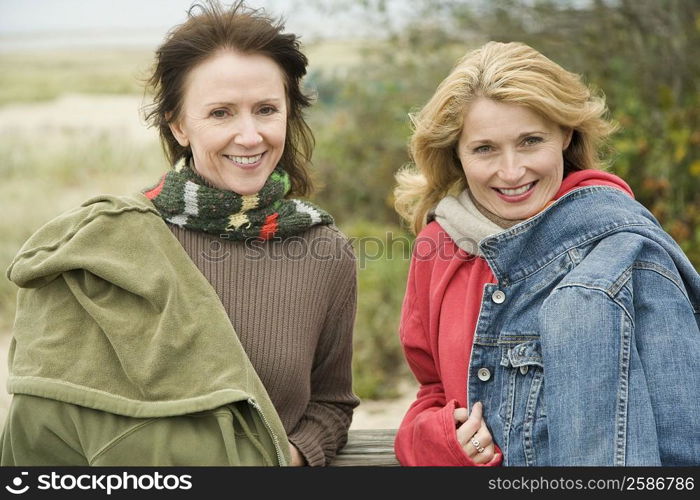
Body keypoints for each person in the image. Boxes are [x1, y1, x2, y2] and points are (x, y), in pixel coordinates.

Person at [1, 0, 358, 466]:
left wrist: (288, 457)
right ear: (178, 125)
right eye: (221, 113)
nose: (250, 136)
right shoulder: (112, 246)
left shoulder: (324, 253)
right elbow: (52, 411)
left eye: (266, 109)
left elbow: (331, 405)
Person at [393, 41, 700, 466]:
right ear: (456, 154)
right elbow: (432, 393)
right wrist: (442, 441)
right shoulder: (437, 246)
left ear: (565, 134)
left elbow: (683, 441)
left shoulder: (627, 248)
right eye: (484, 148)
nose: (512, 171)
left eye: (530, 141)